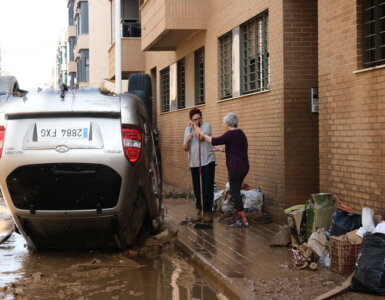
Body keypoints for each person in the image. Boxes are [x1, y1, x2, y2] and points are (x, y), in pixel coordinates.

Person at [194, 112, 249, 227]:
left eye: (224, 123)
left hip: (235, 168)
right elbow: (236, 149)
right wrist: (221, 150)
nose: (223, 124)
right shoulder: (240, 133)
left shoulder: (230, 133)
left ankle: (243, 219)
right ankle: (238, 215)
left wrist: (201, 133)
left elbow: (213, 140)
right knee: (236, 191)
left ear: (228, 123)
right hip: (243, 167)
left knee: (235, 193)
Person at [183, 108, 216, 223]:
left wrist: (195, 126)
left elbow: (200, 138)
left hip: (207, 161)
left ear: (201, 117)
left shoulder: (206, 126)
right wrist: (187, 140)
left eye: (198, 118)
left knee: (207, 187)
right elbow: (185, 148)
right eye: (194, 119)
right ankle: (198, 210)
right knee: (197, 188)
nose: (197, 121)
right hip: (194, 163)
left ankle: (207, 212)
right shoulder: (187, 129)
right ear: (191, 120)